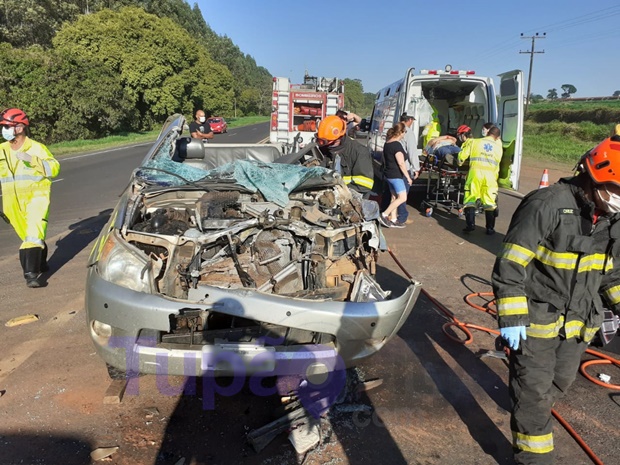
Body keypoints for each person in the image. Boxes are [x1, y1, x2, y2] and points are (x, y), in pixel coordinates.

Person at [492, 136, 620, 465]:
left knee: (555, 386)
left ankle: (524, 401)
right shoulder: (547, 204)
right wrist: (512, 319)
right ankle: (533, 457)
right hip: (535, 322)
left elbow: (610, 275)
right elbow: (510, 264)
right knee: (534, 399)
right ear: (595, 178)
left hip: (577, 327)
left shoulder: (612, 219)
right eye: (618, 191)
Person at [0, 108, 60, 287]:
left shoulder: (36, 148)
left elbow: (54, 169)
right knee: (28, 236)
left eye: (6, 125)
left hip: (37, 198)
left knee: (32, 236)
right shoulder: (2, 150)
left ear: (19, 127)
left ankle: (31, 275)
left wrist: (33, 160)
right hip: (12, 204)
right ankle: (41, 263)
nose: (4, 129)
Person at [316, 115, 375, 199]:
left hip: (351, 201)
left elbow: (364, 185)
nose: (327, 147)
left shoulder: (359, 152)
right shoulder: (324, 150)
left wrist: (337, 191)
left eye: (330, 143)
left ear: (339, 138)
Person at [458, 125, 502, 234]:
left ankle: (470, 225)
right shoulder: (498, 147)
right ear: (497, 137)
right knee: (490, 202)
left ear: (487, 133)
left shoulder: (474, 142)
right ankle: (490, 228)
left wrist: (460, 162)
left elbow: (461, 157)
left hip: (475, 174)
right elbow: (497, 166)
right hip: (490, 177)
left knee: (470, 199)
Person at [378, 122, 412, 228]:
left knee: (394, 197)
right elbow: (401, 163)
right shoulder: (396, 145)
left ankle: (393, 219)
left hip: (388, 174)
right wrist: (408, 177)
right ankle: (384, 215)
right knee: (402, 197)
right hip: (396, 175)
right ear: (400, 132)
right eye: (404, 132)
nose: (404, 135)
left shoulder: (387, 143)